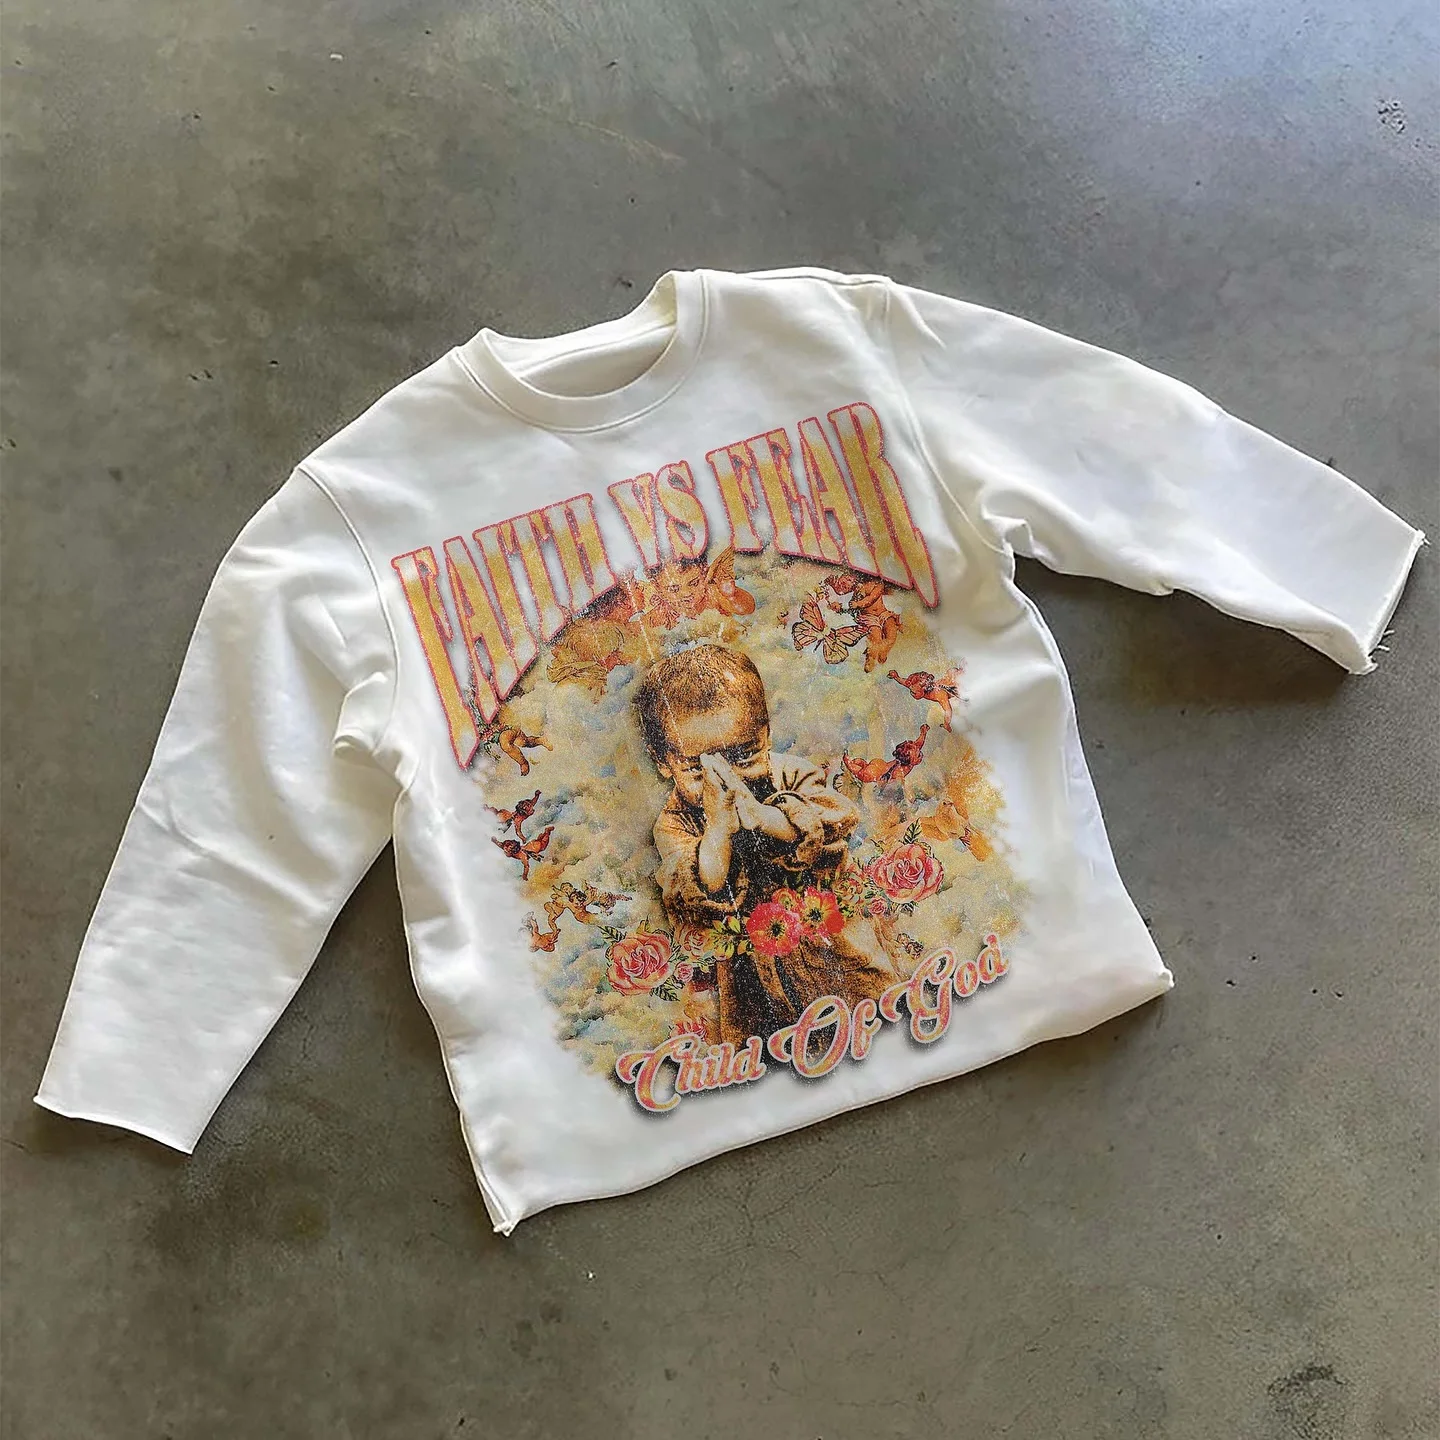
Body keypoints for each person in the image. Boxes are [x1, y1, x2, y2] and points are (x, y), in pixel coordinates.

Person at [634, 644, 895, 1047]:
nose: (728, 782)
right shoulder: (675, 822)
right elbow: (700, 889)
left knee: (879, 1021)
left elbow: (836, 819)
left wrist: (761, 816)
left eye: (743, 756)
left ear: (766, 734)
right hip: (752, 981)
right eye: (698, 768)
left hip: (836, 948)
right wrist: (718, 829)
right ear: (664, 762)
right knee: (773, 1054)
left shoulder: (791, 774)